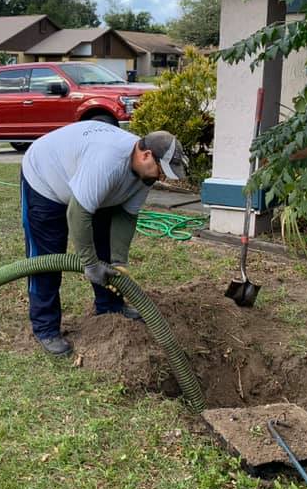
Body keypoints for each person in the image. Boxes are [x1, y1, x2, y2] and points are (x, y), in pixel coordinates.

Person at [20, 121, 188, 356]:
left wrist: (119, 262)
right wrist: (89, 263)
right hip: (45, 179)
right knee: (47, 257)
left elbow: (127, 217)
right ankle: (45, 328)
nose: (161, 177)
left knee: (106, 251)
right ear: (146, 155)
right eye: (161, 170)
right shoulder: (107, 162)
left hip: (90, 187)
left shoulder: (144, 175)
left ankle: (110, 306)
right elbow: (77, 214)